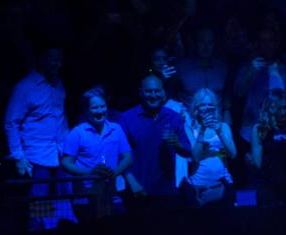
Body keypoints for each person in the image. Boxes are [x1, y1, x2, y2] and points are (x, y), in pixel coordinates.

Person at [3, 46, 74, 231]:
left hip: (60, 155)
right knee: (39, 210)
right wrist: (18, 156)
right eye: (52, 59)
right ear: (41, 59)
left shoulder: (59, 84)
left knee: (63, 207)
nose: (57, 64)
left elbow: (61, 115)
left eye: (59, 59)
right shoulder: (24, 87)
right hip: (37, 157)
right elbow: (12, 123)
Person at [60, 89, 132, 220]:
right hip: (86, 196)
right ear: (86, 110)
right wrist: (89, 173)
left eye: (102, 106)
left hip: (113, 192)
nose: (100, 111)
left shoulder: (116, 129)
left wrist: (114, 173)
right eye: (95, 108)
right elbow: (66, 162)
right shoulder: (77, 133)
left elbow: (128, 157)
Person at [118, 75, 190, 203]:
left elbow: (188, 151)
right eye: (148, 91)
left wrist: (177, 145)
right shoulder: (127, 118)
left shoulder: (173, 117)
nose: (153, 95)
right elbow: (120, 156)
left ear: (163, 92)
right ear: (140, 92)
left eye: (157, 91)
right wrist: (132, 182)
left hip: (167, 191)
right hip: (138, 190)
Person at [248, 88, 286, 206]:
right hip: (269, 187)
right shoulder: (259, 129)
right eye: (279, 108)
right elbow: (258, 163)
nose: (283, 111)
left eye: (285, 107)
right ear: (271, 107)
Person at [175, 26, 230, 119]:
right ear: (195, 43)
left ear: (214, 44)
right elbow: (170, 93)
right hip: (189, 125)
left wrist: (227, 110)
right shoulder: (181, 67)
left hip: (216, 124)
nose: (206, 47)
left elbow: (227, 92)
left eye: (210, 42)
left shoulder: (222, 67)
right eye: (202, 41)